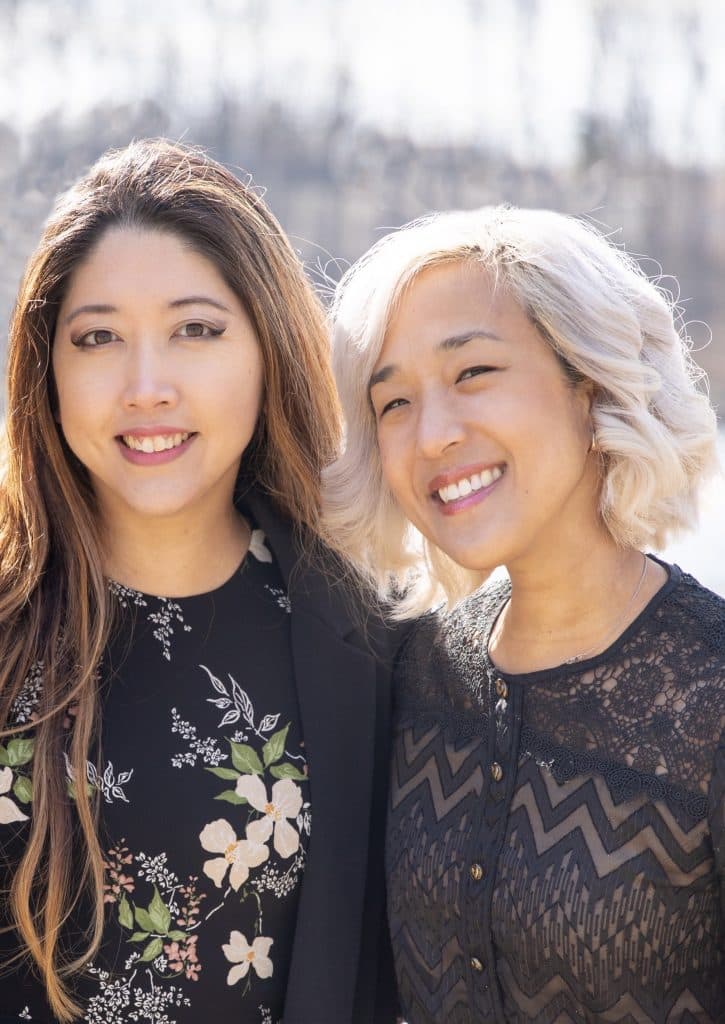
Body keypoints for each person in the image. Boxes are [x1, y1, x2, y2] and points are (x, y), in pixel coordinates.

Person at [0, 139, 397, 1024]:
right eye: (97, 337)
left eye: (196, 330)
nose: (147, 387)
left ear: (269, 350)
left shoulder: (375, 643)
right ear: (47, 372)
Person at [323, 206, 725, 1023]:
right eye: (393, 402)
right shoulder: (410, 668)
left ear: (590, 382)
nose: (432, 434)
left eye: (472, 373)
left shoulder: (708, 698)